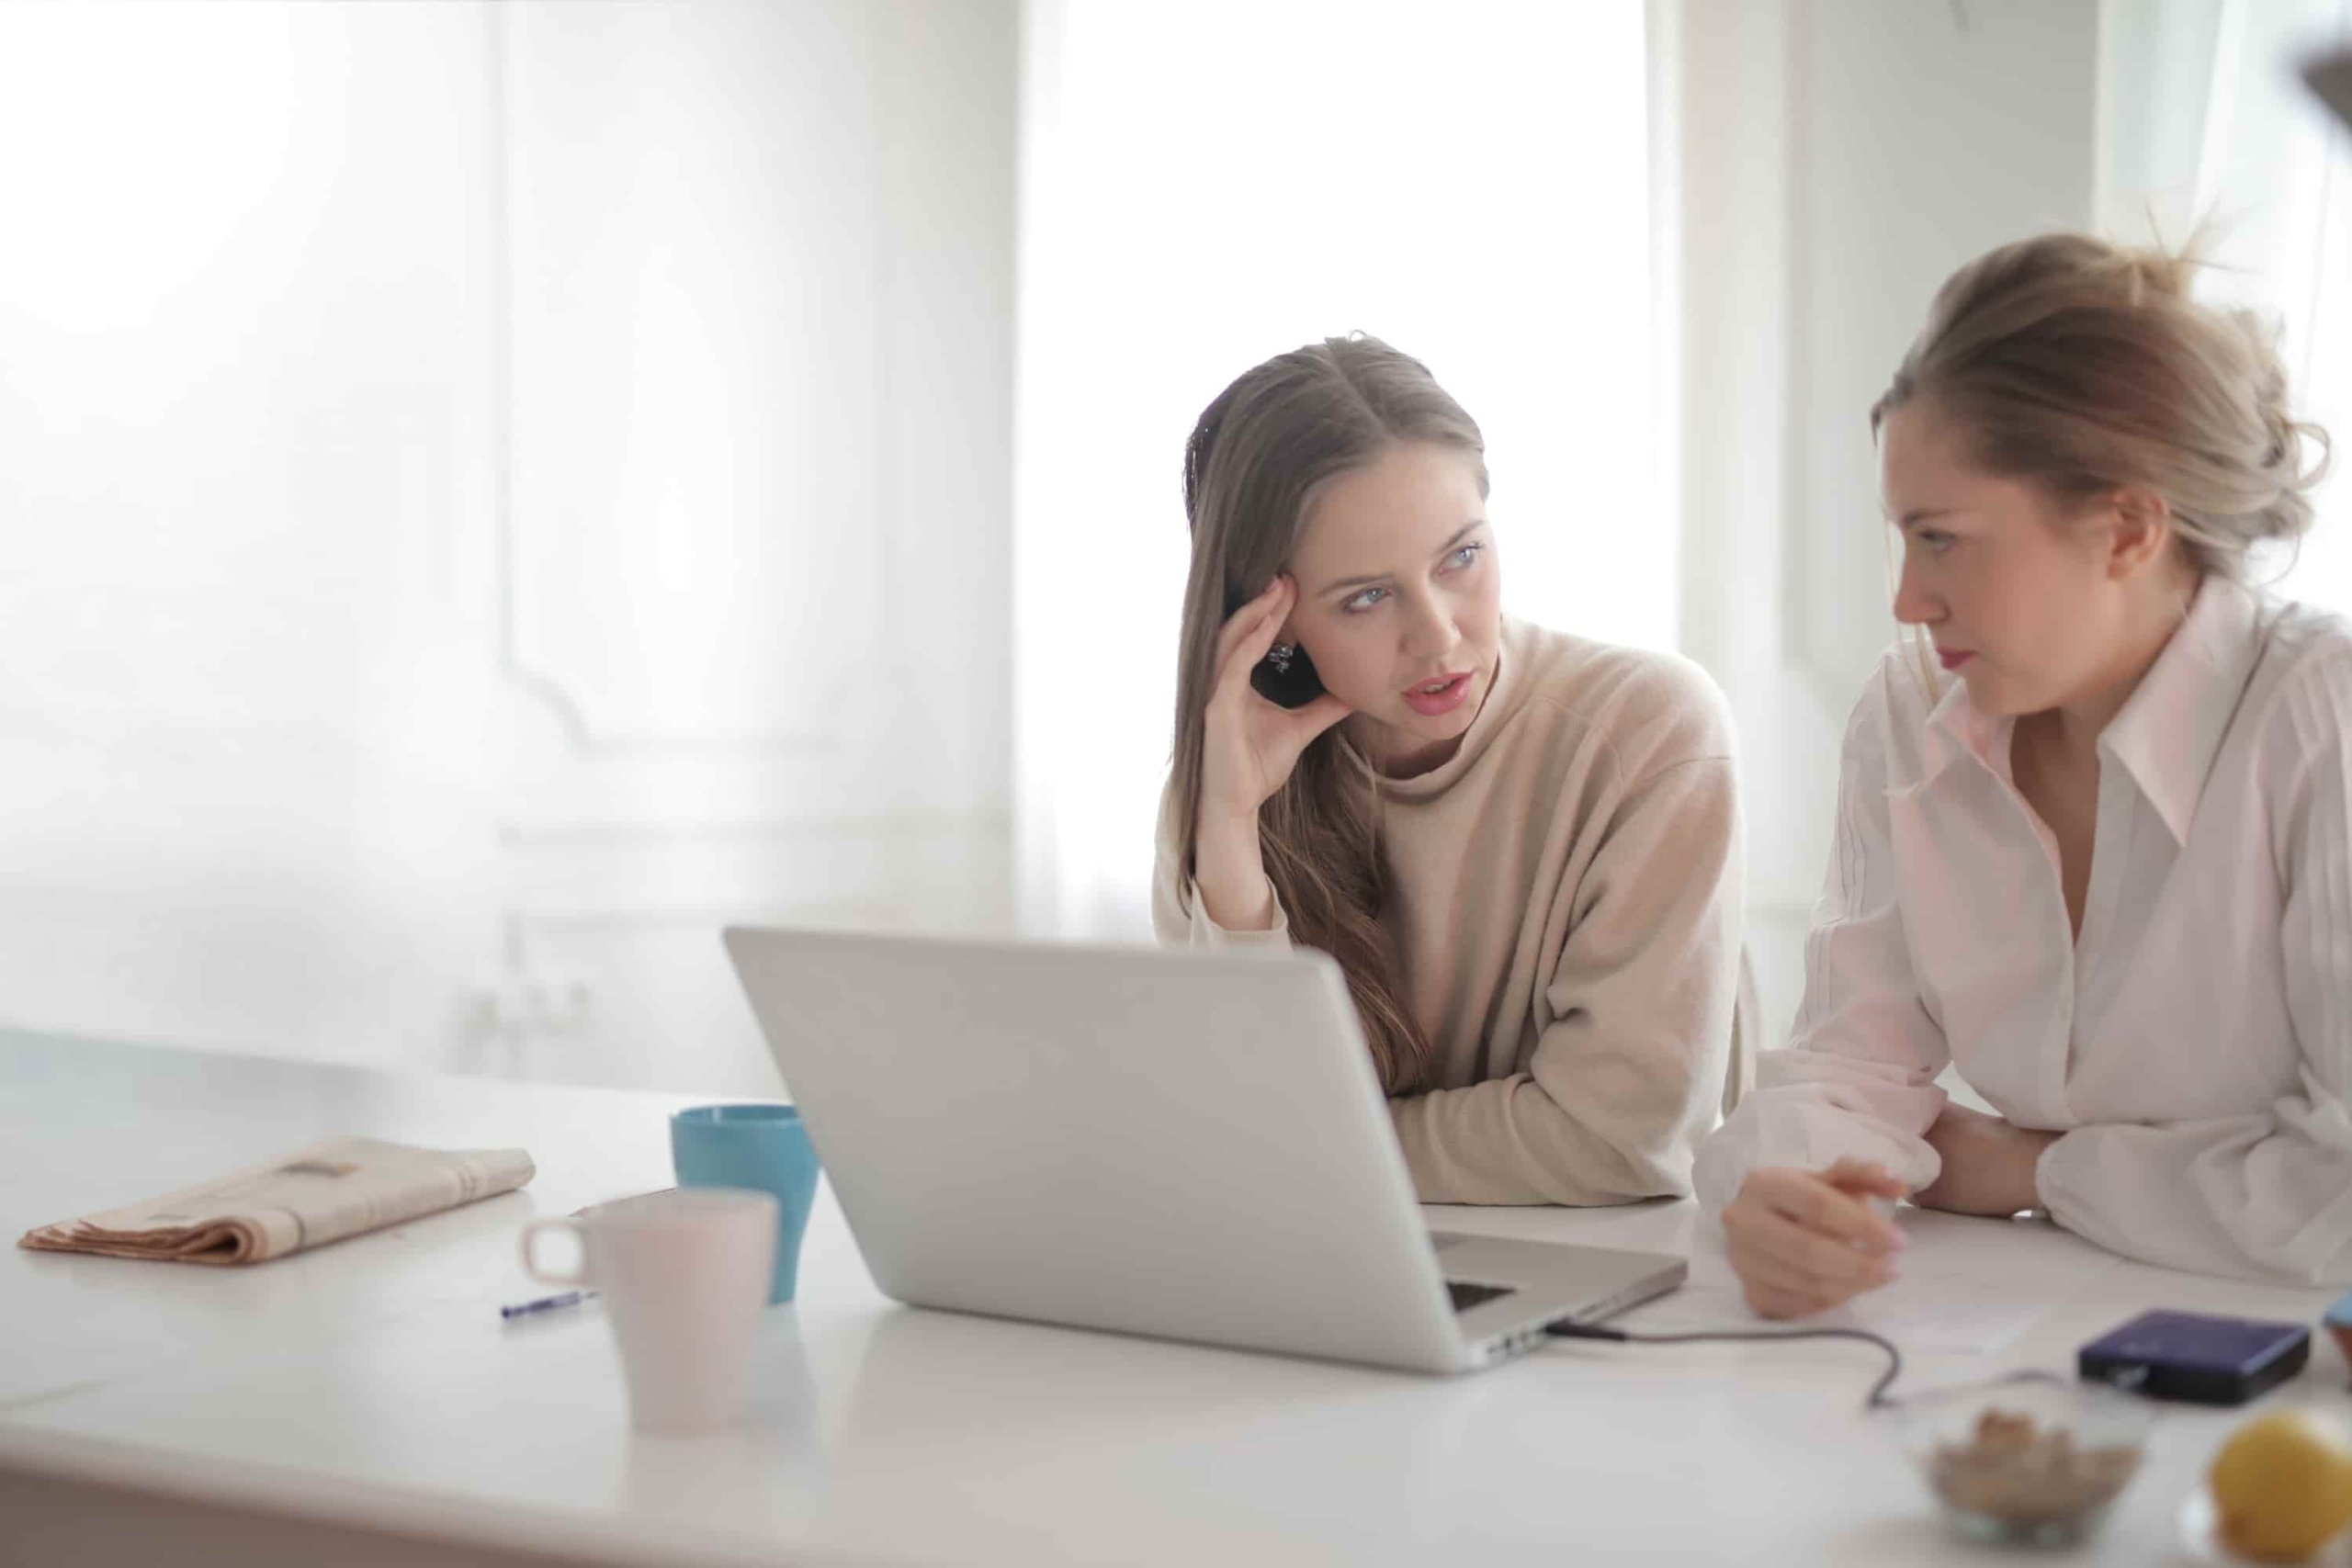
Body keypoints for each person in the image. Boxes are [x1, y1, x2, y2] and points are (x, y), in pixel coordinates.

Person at [1697, 233, 2352, 1314]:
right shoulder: (1911, 711)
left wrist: (2037, 1171)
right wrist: (1784, 1190)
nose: (1908, 599)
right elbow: (1849, 1066)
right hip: (2016, 1329)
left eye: (1942, 540)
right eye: (1904, 540)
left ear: (2126, 528)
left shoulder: (2321, 719)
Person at [1153, 334, 1747, 1205]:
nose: (1438, 637)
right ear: (1272, 626)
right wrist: (1232, 841)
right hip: (1344, 1258)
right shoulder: (1228, 787)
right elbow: (1240, 1125)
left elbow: (1621, 1142)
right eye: (1366, 596)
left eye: (1461, 557)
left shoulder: (1651, 730)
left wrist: (1320, 1143)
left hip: (1624, 1265)